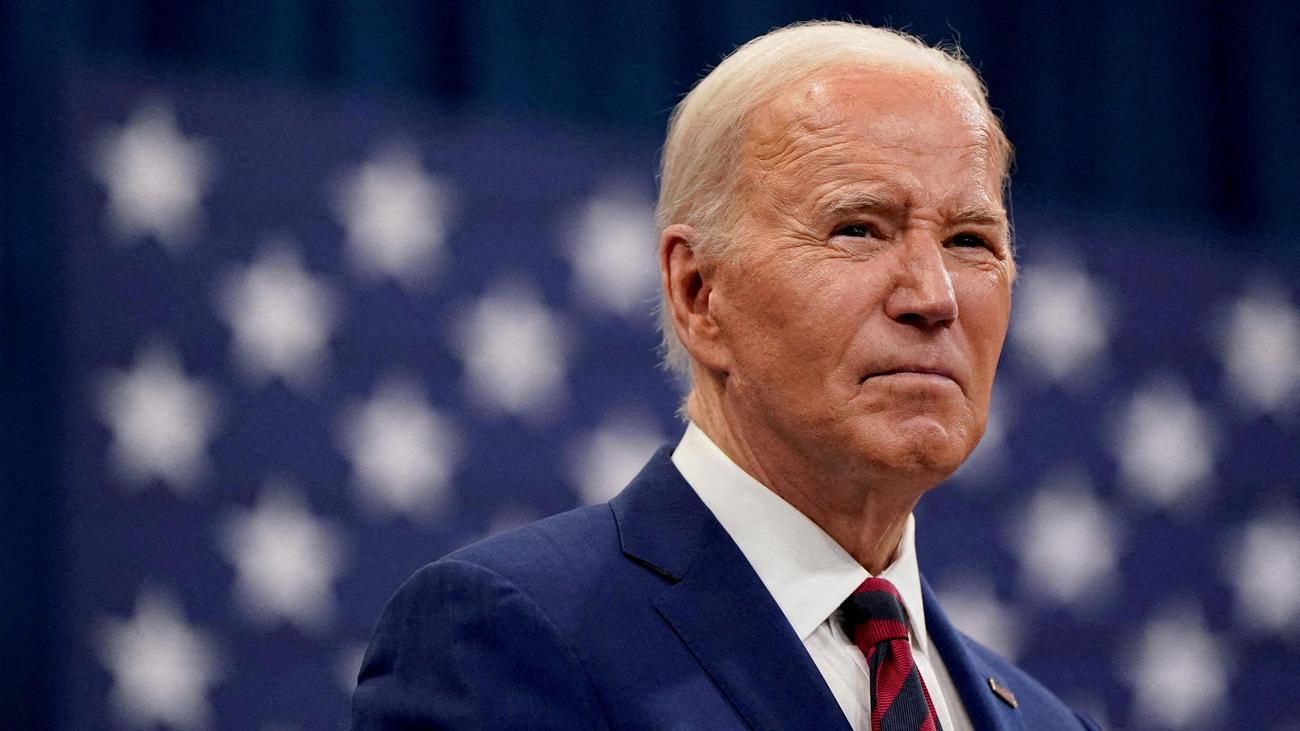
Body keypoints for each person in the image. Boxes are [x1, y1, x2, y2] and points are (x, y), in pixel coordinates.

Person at [352, 20, 1100, 731]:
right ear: (699, 294)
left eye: (970, 240)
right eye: (857, 229)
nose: (934, 298)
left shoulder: (1046, 720)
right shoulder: (507, 638)